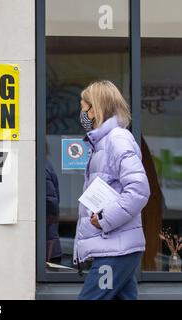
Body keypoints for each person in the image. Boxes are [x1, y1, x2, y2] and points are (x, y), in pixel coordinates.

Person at [74, 80, 150, 300]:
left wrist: (105, 218)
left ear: (95, 109)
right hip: (117, 248)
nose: (82, 115)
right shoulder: (103, 143)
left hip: (115, 250)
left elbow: (139, 189)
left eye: (83, 108)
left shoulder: (117, 140)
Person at [46, 159, 62, 263]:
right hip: (50, 236)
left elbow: (50, 200)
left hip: (47, 239)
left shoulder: (42, 165)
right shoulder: (47, 164)